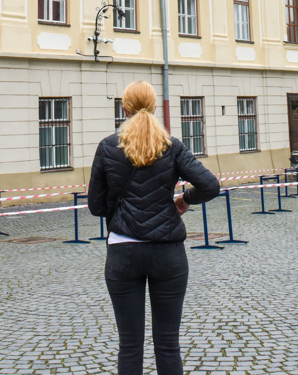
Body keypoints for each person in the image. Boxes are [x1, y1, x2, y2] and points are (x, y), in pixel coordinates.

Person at [87, 80, 220, 375]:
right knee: (168, 344)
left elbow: (96, 206)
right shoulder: (172, 146)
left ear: (124, 107)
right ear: (155, 105)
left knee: (130, 346)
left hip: (123, 252)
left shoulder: (108, 146)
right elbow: (210, 185)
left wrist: (119, 206)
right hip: (168, 253)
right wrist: (185, 199)